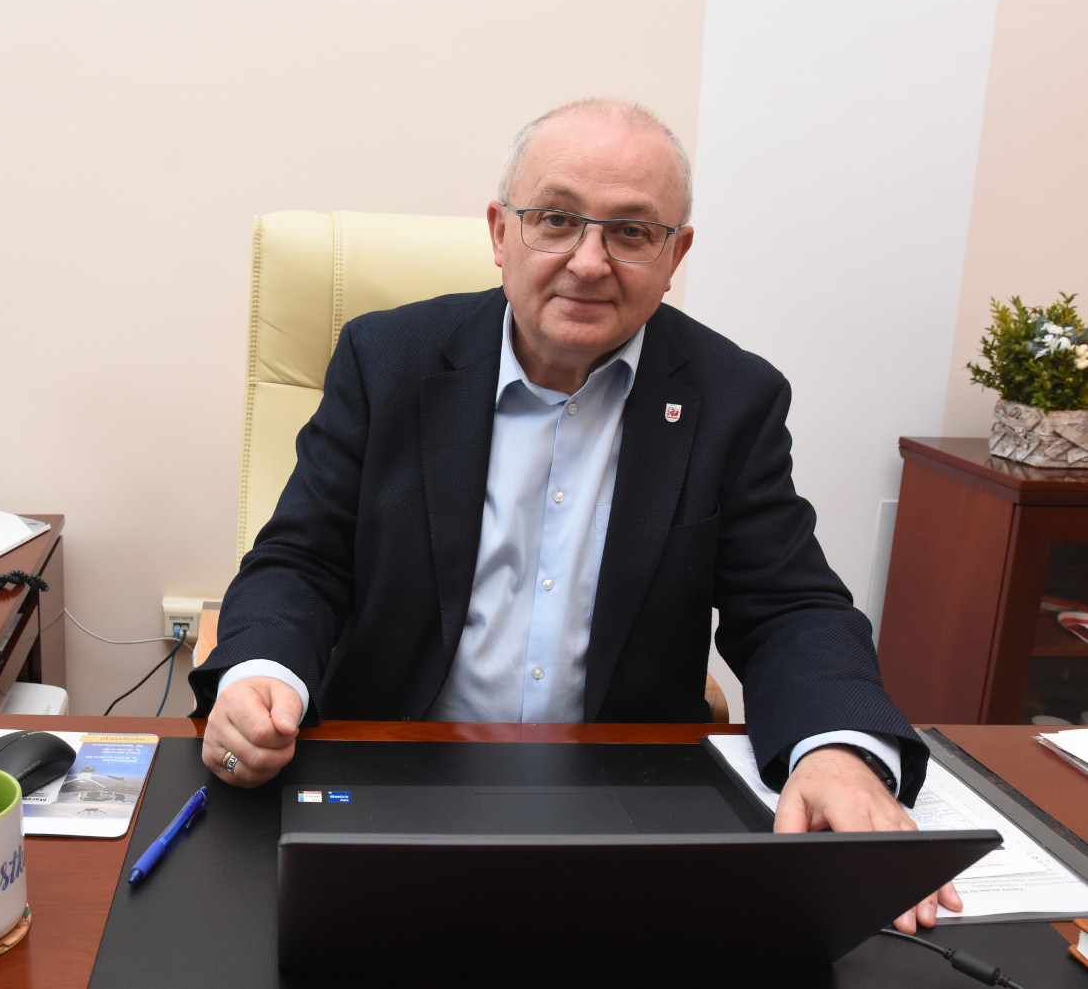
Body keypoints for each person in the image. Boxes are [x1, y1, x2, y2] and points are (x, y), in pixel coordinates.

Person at [188, 98, 960, 931]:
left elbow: (790, 606)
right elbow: (302, 559)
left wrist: (837, 748)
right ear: (501, 232)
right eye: (556, 220)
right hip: (392, 772)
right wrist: (262, 673)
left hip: (621, 798)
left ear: (675, 255)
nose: (589, 263)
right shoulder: (386, 361)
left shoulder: (733, 398)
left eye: (631, 232)